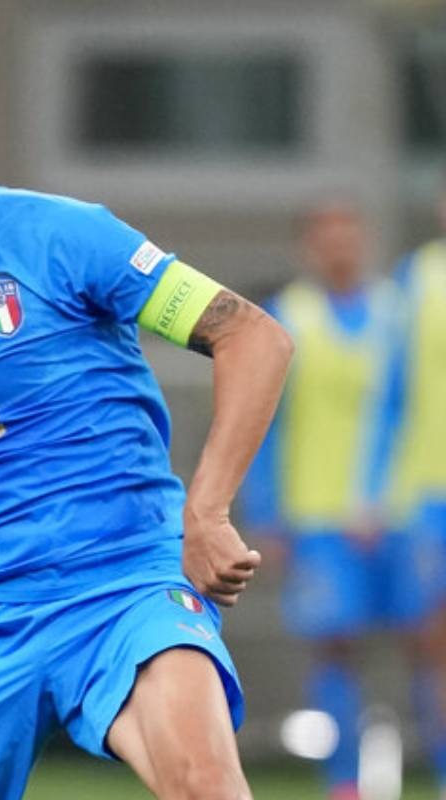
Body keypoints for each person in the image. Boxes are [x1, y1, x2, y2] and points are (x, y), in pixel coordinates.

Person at [0, 51, 293, 800]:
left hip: (126, 585)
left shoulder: (66, 237)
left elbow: (254, 337)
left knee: (205, 784)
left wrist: (205, 512)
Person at [242, 201, 441, 800]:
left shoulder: (396, 307)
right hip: (319, 516)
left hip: (397, 511)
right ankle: (345, 783)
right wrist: (267, 508)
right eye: (328, 239)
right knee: (335, 649)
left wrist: (380, 492)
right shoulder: (290, 317)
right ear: (309, 248)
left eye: (351, 238)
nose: (341, 250)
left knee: (428, 645)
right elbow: (266, 420)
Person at [368, 178, 446, 798]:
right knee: (434, 647)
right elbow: (389, 397)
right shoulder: (416, 279)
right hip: (429, 495)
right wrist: (372, 490)